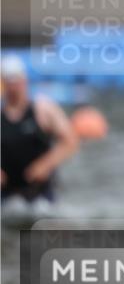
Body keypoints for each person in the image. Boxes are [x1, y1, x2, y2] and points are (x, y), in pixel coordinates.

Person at [1, 56, 79, 207]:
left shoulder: (43, 109)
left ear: (24, 80)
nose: (13, 87)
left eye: (16, 81)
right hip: (6, 195)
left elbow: (70, 141)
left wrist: (45, 165)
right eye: (8, 82)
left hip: (39, 194)